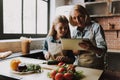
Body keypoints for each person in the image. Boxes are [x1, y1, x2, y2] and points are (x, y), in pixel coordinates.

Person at [69, 4, 107, 69]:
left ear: (85, 15)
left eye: (80, 16)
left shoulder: (96, 27)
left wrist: (91, 48)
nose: (78, 20)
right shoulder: (74, 32)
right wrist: (75, 52)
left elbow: (103, 50)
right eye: (74, 18)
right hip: (80, 66)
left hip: (95, 67)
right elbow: (75, 54)